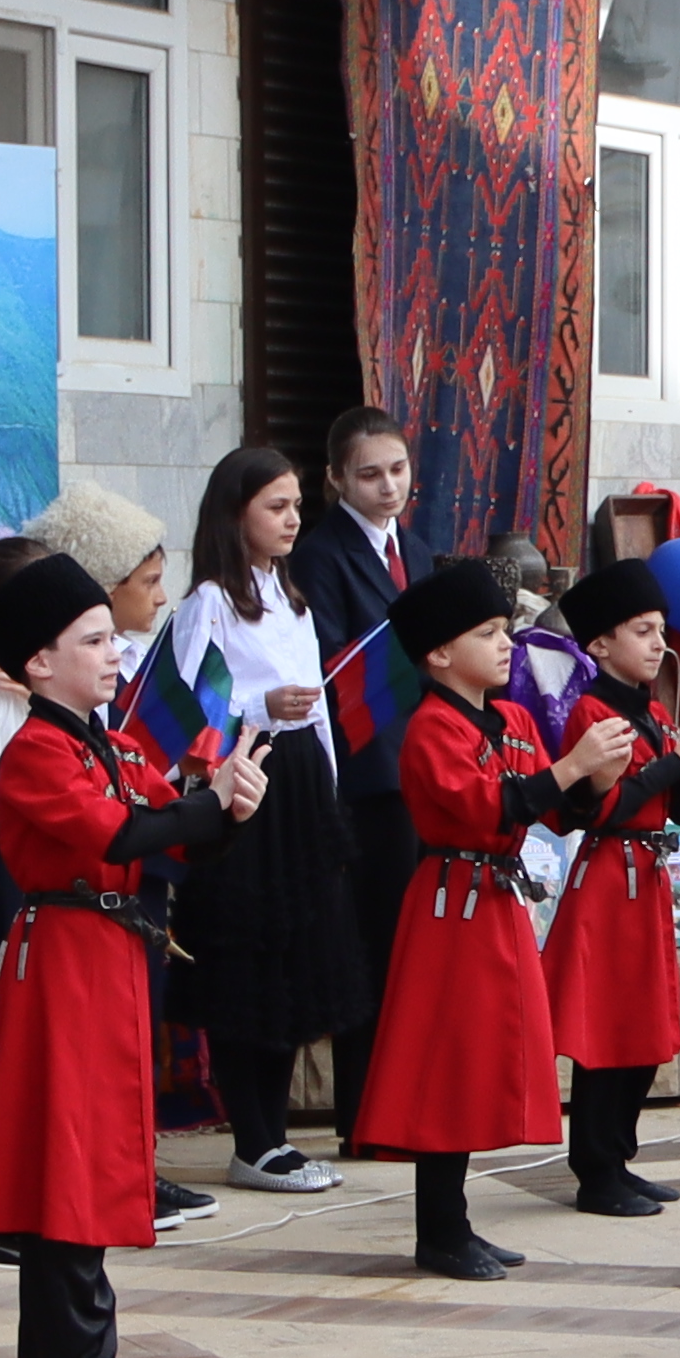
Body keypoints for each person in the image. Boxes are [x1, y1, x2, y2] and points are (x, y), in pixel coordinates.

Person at [0, 550, 267, 1358]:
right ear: (39, 664)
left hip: (108, 952)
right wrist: (206, 805)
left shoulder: (115, 744)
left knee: (94, 1137)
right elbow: (120, 834)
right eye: (93, 640)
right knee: (70, 1142)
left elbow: (171, 837)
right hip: (64, 954)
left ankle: (78, 1341)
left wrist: (227, 807)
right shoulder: (34, 753)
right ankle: (67, 1350)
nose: (113, 652)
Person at [348, 561, 626, 1280]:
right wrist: (572, 769)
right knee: (449, 1063)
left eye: (506, 630)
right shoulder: (429, 729)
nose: (507, 645)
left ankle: (456, 1220)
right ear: (439, 653)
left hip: (496, 901)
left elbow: (555, 811)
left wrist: (596, 778)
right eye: (488, 632)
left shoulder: (514, 719)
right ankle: (438, 1228)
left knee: (481, 1061)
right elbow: (486, 806)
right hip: (452, 905)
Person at [160, 446, 361, 1193]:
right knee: (249, 960)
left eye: (295, 506)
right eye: (275, 506)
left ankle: (273, 1135)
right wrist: (259, 709)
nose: (291, 519)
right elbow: (188, 714)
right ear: (234, 511)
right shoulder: (210, 603)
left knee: (294, 959)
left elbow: (322, 709)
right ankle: (252, 1135)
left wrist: (332, 794)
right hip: (247, 791)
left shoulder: (294, 598)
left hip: (303, 787)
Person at [543, 555, 680, 1213]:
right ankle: (594, 1169)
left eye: (662, 630)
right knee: (609, 1028)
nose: (659, 643)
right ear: (600, 644)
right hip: (610, 878)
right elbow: (607, 806)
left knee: (644, 1025)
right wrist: (678, 761)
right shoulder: (592, 714)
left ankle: (620, 1156)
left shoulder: (653, 713)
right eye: (643, 631)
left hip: (649, 879)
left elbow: (678, 806)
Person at [294, 404, 421, 1119]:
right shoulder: (321, 554)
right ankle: (364, 1107)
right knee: (372, 939)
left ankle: (406, 1093)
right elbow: (333, 670)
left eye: (397, 470)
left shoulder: (419, 550)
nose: (386, 487)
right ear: (337, 479)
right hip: (367, 771)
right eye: (369, 475)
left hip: (423, 765)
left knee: (414, 940)